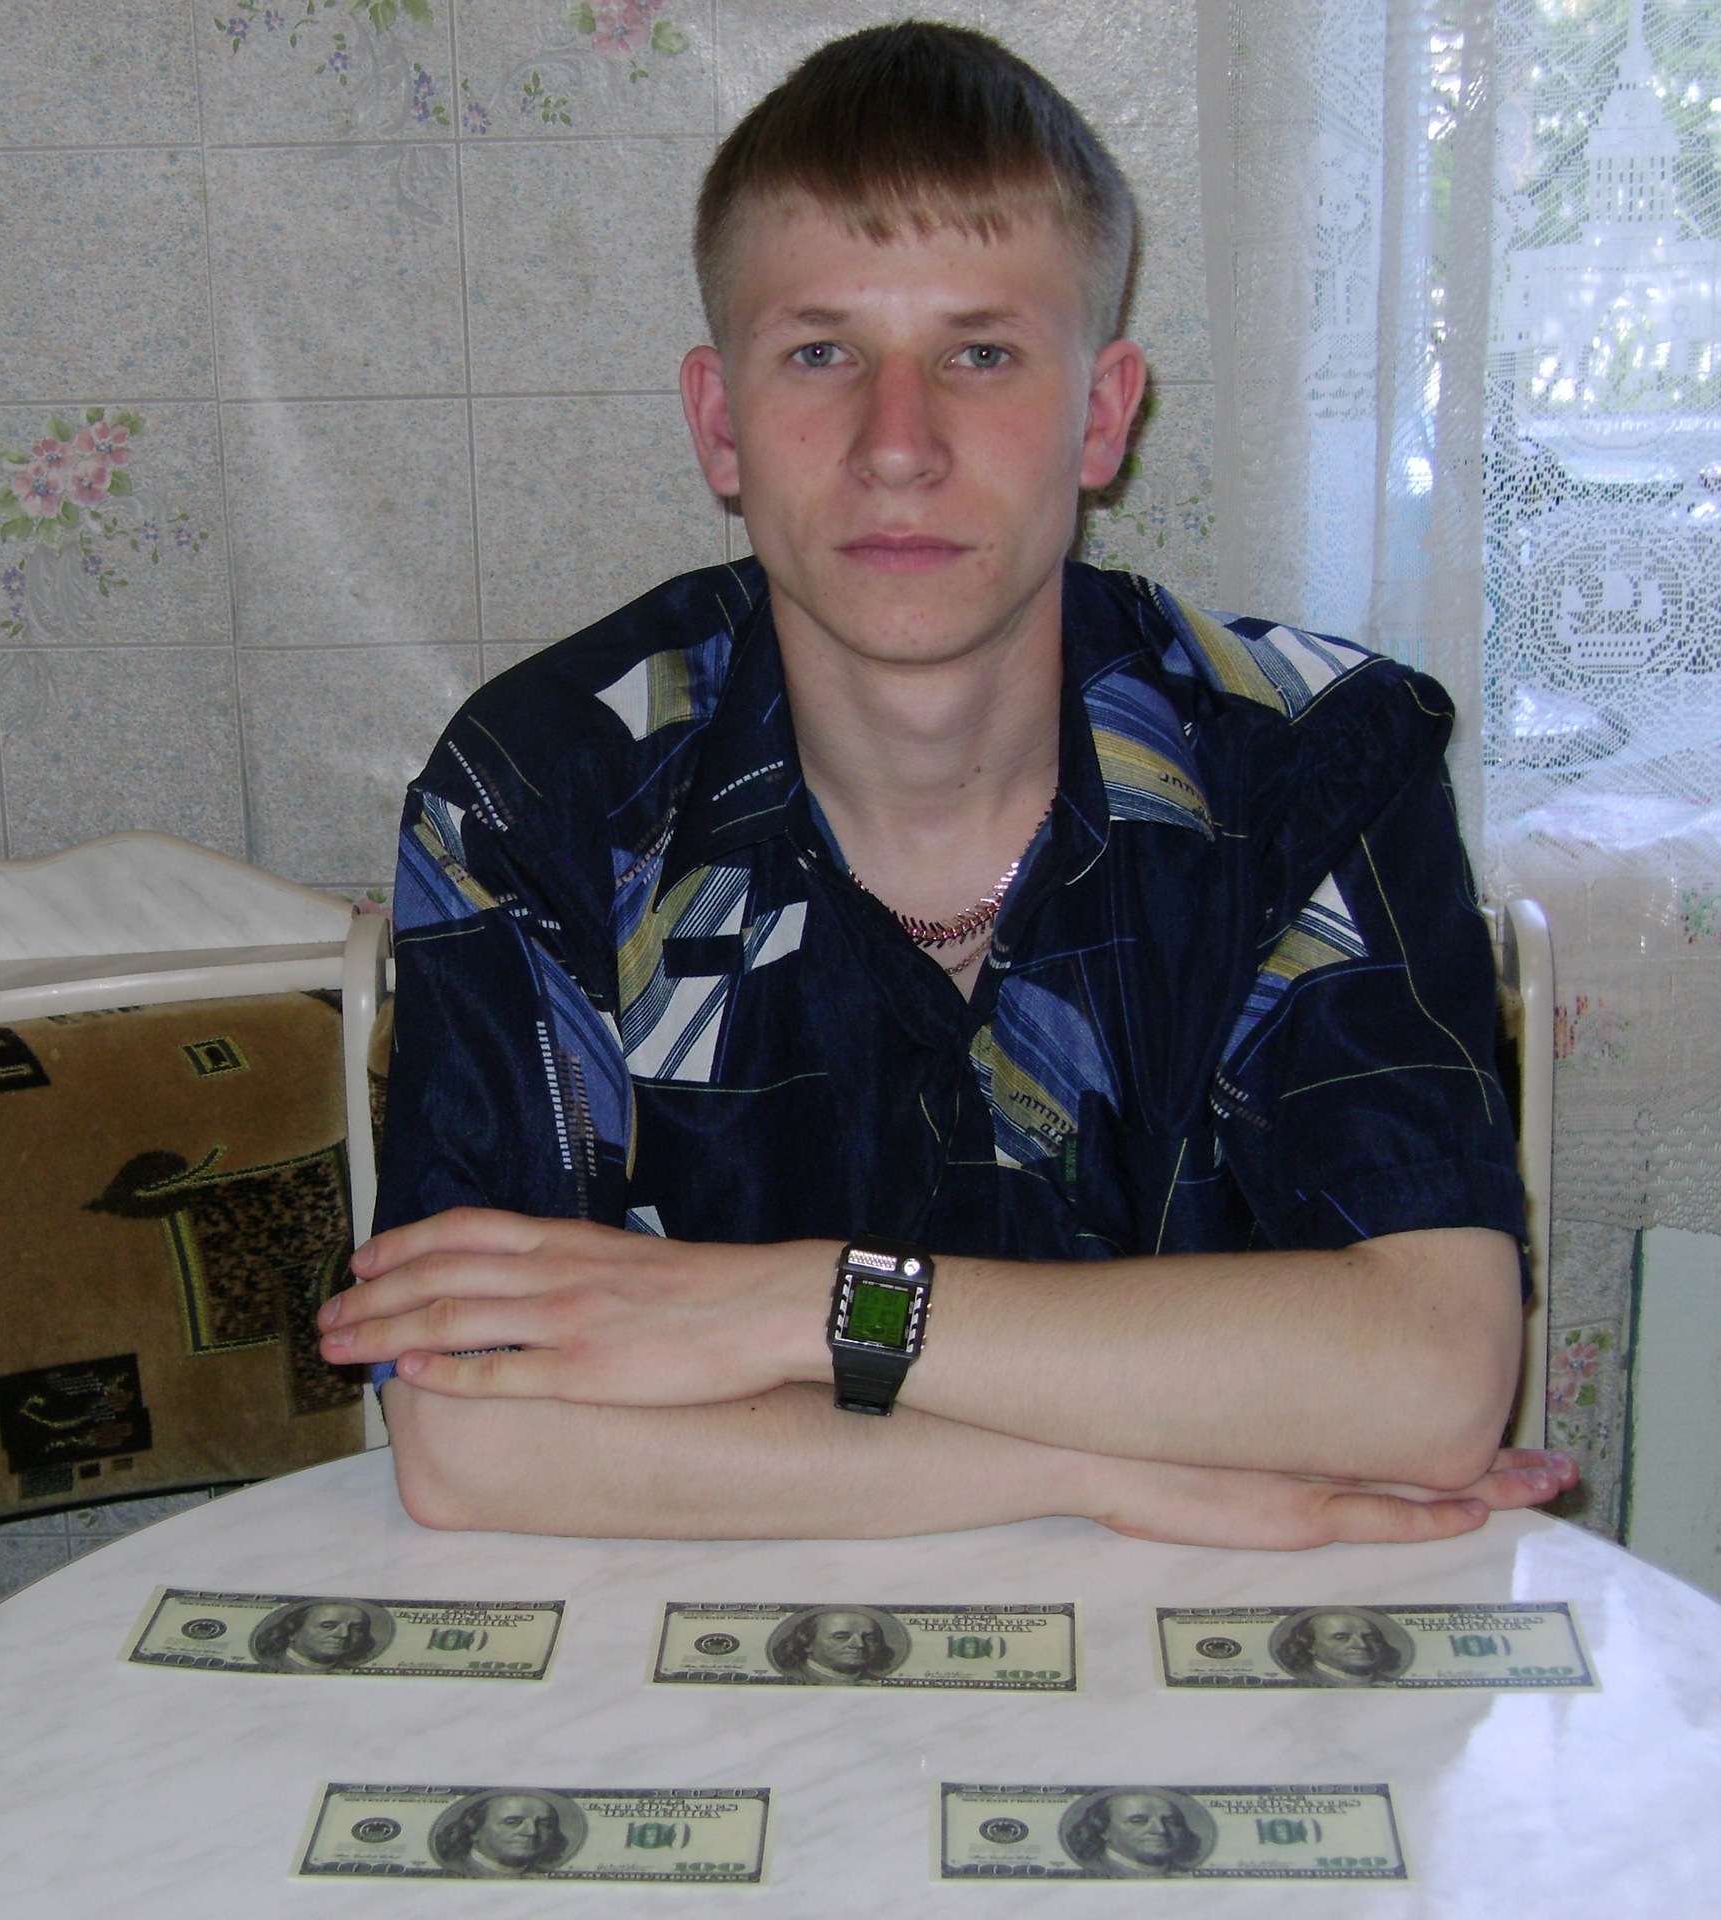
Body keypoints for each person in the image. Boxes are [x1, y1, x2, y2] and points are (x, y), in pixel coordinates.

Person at [318, 22, 1578, 1548]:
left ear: (1101, 416)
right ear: (720, 423)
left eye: (980, 354)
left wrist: (791, 1308)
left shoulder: (1314, 763)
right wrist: (1104, 1473)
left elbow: (1434, 1379)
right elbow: (469, 1437)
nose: (897, 447)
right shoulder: (547, 790)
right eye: (821, 353)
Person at [1060, 1790, 1208, 1876]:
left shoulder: (1185, 1874)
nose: (1160, 1830)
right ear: (1103, 1829)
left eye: (1169, 1821)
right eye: (1138, 1821)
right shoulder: (1087, 1874)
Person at [432, 1791, 578, 1877]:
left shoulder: (545, 1876)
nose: (532, 1832)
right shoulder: (450, 1871)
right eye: (512, 1822)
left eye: (544, 1824)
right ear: (475, 1830)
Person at [1269, 1607, 1411, 1686]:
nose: (1362, 1645)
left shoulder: (1387, 1682)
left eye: (1370, 1638)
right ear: (1310, 1646)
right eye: (1341, 1638)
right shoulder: (1303, 1682)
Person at [770, 1605, 904, 1683]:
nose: (859, 1645)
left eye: (869, 1638)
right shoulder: (792, 1677)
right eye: (841, 1637)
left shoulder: (876, 1682)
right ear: (807, 1643)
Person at [251, 1598, 386, 1673]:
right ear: (293, 1631)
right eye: (328, 1626)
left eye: (356, 1628)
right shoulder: (269, 1665)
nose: (344, 1634)